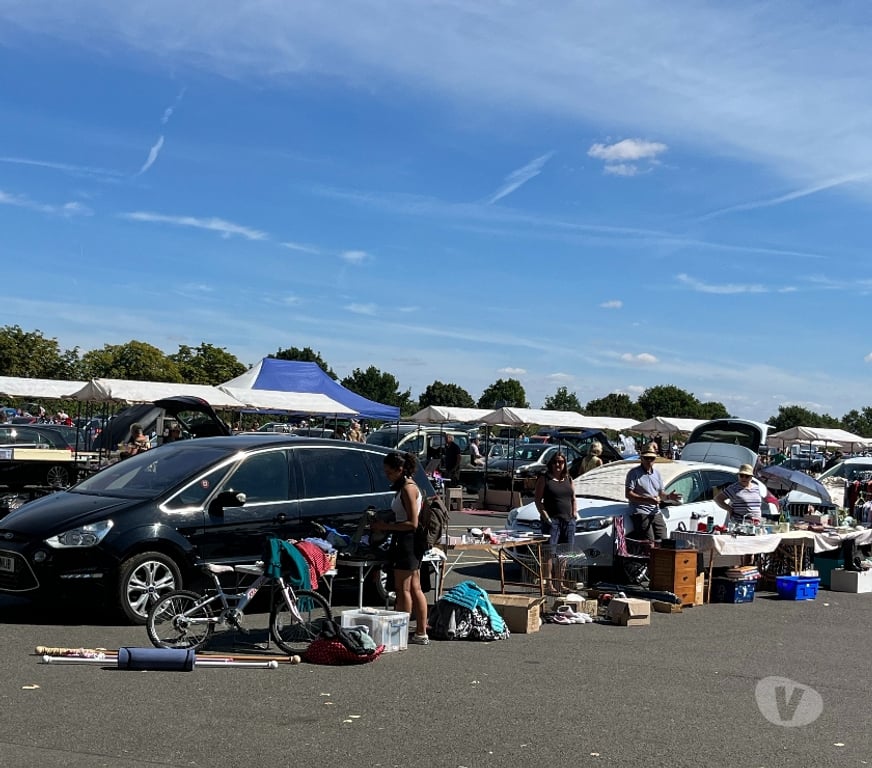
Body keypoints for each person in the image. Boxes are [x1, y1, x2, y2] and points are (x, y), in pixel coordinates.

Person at [370, 451, 430, 645]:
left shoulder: (407, 488)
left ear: (400, 470)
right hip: (409, 541)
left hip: (408, 541)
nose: (387, 476)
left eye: (389, 473)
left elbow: (412, 522)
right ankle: (420, 631)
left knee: (403, 588)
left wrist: (384, 526)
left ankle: (402, 632)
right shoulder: (407, 486)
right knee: (413, 587)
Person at [534, 452, 577, 596]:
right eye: (555, 462)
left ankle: (560, 582)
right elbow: (538, 500)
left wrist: (574, 513)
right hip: (552, 521)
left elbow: (573, 498)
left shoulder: (568, 479)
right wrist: (545, 516)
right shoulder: (545, 479)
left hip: (568, 521)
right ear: (551, 464)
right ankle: (549, 584)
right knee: (549, 554)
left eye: (561, 462)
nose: (558, 465)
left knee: (564, 553)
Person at [625, 443, 679, 541]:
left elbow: (661, 494)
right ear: (641, 458)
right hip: (640, 512)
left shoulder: (657, 474)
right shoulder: (634, 473)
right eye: (646, 458)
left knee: (663, 541)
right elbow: (628, 494)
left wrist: (669, 497)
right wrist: (647, 500)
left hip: (655, 511)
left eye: (652, 458)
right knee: (649, 542)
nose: (649, 461)